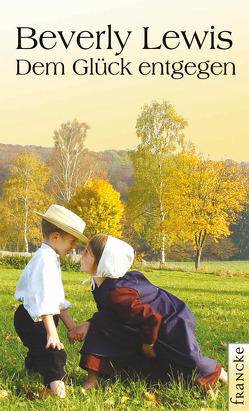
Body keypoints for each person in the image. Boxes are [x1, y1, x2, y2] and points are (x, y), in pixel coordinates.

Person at [68, 234, 227, 397]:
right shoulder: (99, 284)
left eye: (87, 252)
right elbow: (109, 315)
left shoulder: (117, 293)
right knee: (101, 323)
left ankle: (224, 375)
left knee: (187, 359)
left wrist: (148, 346)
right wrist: (90, 323)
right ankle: (93, 381)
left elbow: (151, 319)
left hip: (171, 319)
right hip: (148, 322)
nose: (81, 254)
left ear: (101, 262)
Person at [14, 204, 88, 398]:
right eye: (72, 242)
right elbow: (44, 300)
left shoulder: (50, 258)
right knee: (53, 351)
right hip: (33, 317)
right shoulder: (44, 261)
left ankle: (30, 368)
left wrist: (71, 327)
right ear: (55, 237)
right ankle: (58, 393)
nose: (73, 247)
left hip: (40, 315)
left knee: (40, 346)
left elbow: (57, 300)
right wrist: (52, 333)